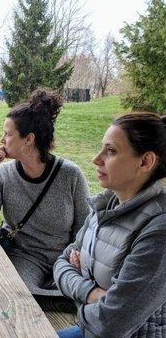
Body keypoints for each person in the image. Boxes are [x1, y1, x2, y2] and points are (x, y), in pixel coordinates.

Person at [54, 112, 166, 338]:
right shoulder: (104, 206)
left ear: (145, 162)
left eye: (111, 151)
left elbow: (111, 323)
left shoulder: (159, 230)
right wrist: (93, 293)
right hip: (88, 329)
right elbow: (60, 264)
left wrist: (79, 283)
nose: (96, 159)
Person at [0, 89, 89, 296]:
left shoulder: (70, 175)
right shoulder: (4, 173)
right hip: (24, 257)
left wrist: (73, 256)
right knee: (18, 293)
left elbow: (84, 226)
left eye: (8, 134)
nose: (2, 140)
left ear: (28, 139)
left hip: (64, 259)